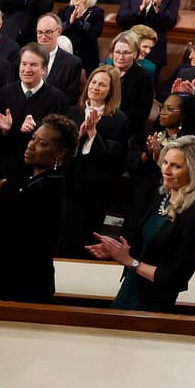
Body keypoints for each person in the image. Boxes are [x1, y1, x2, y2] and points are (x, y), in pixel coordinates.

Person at [88, 134, 195, 311]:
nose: (166, 171)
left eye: (176, 166)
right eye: (165, 162)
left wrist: (129, 261)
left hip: (152, 301)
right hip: (131, 285)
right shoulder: (162, 195)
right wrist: (118, 251)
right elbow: (150, 245)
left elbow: (175, 278)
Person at [0, 114, 76, 301]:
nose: (31, 145)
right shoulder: (38, 180)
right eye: (33, 138)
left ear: (60, 153)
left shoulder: (47, 188)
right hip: (12, 285)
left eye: (42, 144)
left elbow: (1, 234)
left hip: (18, 289)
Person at [63, 68, 130, 257]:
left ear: (111, 90)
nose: (96, 87)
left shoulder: (118, 119)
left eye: (102, 84)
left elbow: (116, 155)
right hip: (68, 180)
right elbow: (60, 145)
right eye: (93, 82)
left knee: (84, 233)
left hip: (94, 187)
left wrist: (93, 135)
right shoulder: (71, 111)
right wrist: (79, 136)